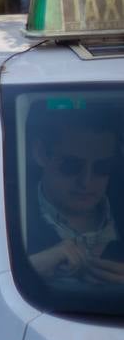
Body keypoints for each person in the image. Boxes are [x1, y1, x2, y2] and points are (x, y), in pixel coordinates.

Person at [26, 111, 124, 282]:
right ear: (40, 153)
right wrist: (29, 268)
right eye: (71, 165)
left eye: (102, 167)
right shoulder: (3, 213)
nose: (86, 181)